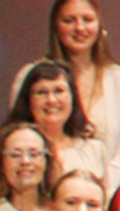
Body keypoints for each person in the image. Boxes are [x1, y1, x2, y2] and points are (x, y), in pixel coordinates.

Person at [36, 0, 120, 177]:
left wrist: (100, 192)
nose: (80, 28)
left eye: (87, 19)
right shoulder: (32, 78)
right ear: (55, 27)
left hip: (106, 196)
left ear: (99, 26)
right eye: (69, 20)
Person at [9, 59, 109, 189]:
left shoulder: (94, 150)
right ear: (28, 101)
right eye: (41, 93)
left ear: (73, 97)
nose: (51, 100)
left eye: (59, 91)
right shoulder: (7, 148)